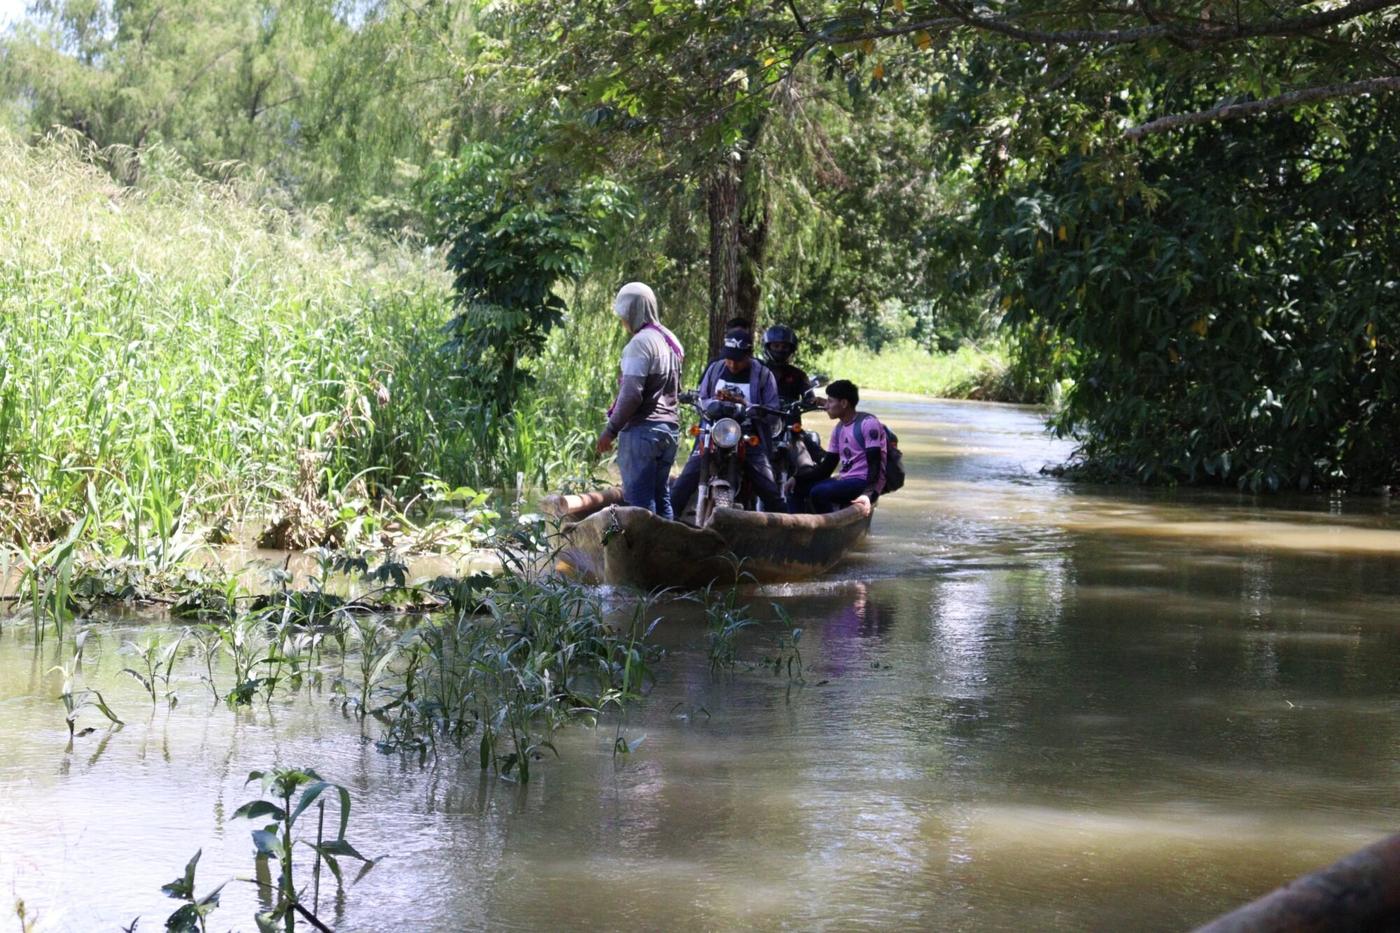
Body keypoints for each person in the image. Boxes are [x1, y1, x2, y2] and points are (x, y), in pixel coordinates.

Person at [669, 327, 784, 518]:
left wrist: (744, 404)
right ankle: (667, 524)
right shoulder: (715, 368)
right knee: (683, 483)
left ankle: (788, 531)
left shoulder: (764, 375)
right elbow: (702, 397)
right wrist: (712, 403)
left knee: (768, 489)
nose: (732, 364)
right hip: (714, 432)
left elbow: (772, 410)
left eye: (738, 360)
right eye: (729, 359)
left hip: (747, 436)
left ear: (749, 355)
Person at [596, 282, 685, 518]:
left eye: (622, 315)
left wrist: (611, 430)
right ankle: (667, 552)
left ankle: (647, 555)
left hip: (643, 433)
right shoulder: (671, 340)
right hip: (670, 430)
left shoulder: (640, 343)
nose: (622, 321)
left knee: (639, 507)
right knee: (661, 497)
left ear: (631, 311)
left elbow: (632, 394)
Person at [802, 379, 886, 514]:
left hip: (863, 481)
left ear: (844, 403)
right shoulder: (839, 428)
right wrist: (797, 479)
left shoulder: (868, 424)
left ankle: (828, 527)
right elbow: (827, 467)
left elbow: (875, 463)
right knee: (798, 489)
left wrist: (868, 494)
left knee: (818, 492)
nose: (825, 406)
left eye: (830, 401)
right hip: (846, 478)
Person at [761, 323, 810, 407]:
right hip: (764, 417)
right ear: (768, 347)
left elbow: (809, 398)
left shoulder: (799, 375)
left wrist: (811, 401)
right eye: (776, 346)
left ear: (791, 349)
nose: (780, 349)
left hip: (791, 417)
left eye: (785, 347)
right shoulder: (758, 372)